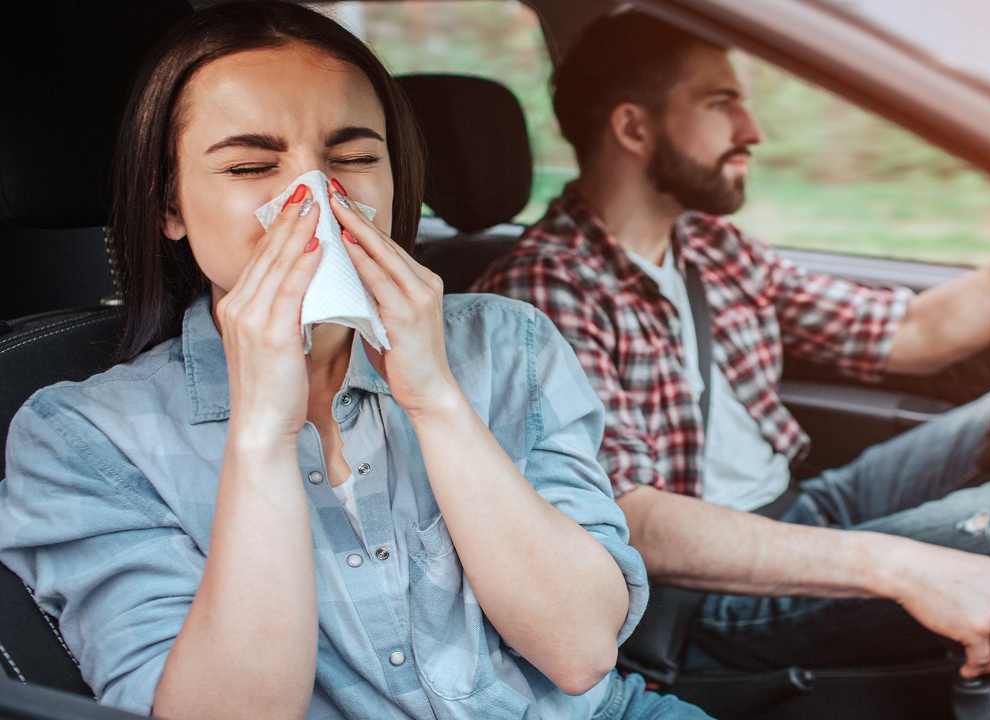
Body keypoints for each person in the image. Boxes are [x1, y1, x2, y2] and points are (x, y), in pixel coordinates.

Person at [0, 3, 714, 719]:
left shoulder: (508, 344)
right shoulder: (84, 441)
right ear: (171, 206)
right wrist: (263, 436)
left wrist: (434, 396)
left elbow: (583, 650)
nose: (316, 200)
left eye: (353, 159)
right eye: (252, 165)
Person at [474, 11, 990, 718]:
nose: (752, 130)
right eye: (720, 103)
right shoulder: (546, 292)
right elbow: (632, 521)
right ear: (633, 129)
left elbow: (913, 331)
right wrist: (899, 567)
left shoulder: (711, 246)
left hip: (795, 507)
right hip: (698, 599)